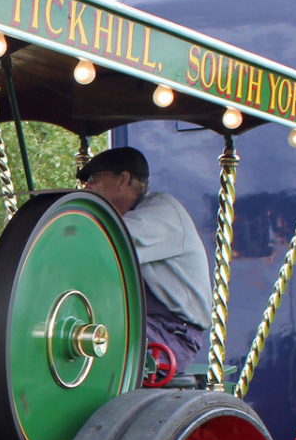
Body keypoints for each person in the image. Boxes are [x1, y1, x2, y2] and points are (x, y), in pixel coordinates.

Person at [77, 146, 212, 370]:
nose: (87, 187)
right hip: (148, 326)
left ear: (123, 179)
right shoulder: (131, 216)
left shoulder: (162, 212)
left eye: (93, 178)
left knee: (82, 340)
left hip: (171, 336)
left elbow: (106, 241)